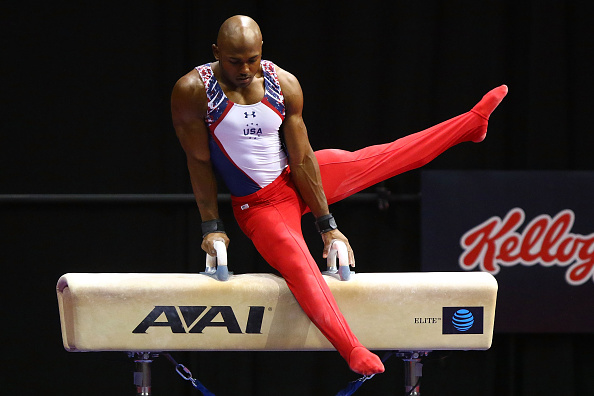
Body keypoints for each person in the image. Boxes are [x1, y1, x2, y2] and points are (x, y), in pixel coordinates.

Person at [171, 15, 507, 376]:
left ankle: (471, 124)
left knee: (387, 156)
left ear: (262, 50)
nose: (245, 69)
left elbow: (301, 159)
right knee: (300, 267)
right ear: (216, 52)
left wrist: (327, 225)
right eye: (235, 61)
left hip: (294, 179)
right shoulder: (193, 90)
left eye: (252, 59)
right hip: (259, 206)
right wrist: (211, 227)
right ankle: (352, 349)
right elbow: (198, 162)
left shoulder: (283, 84)